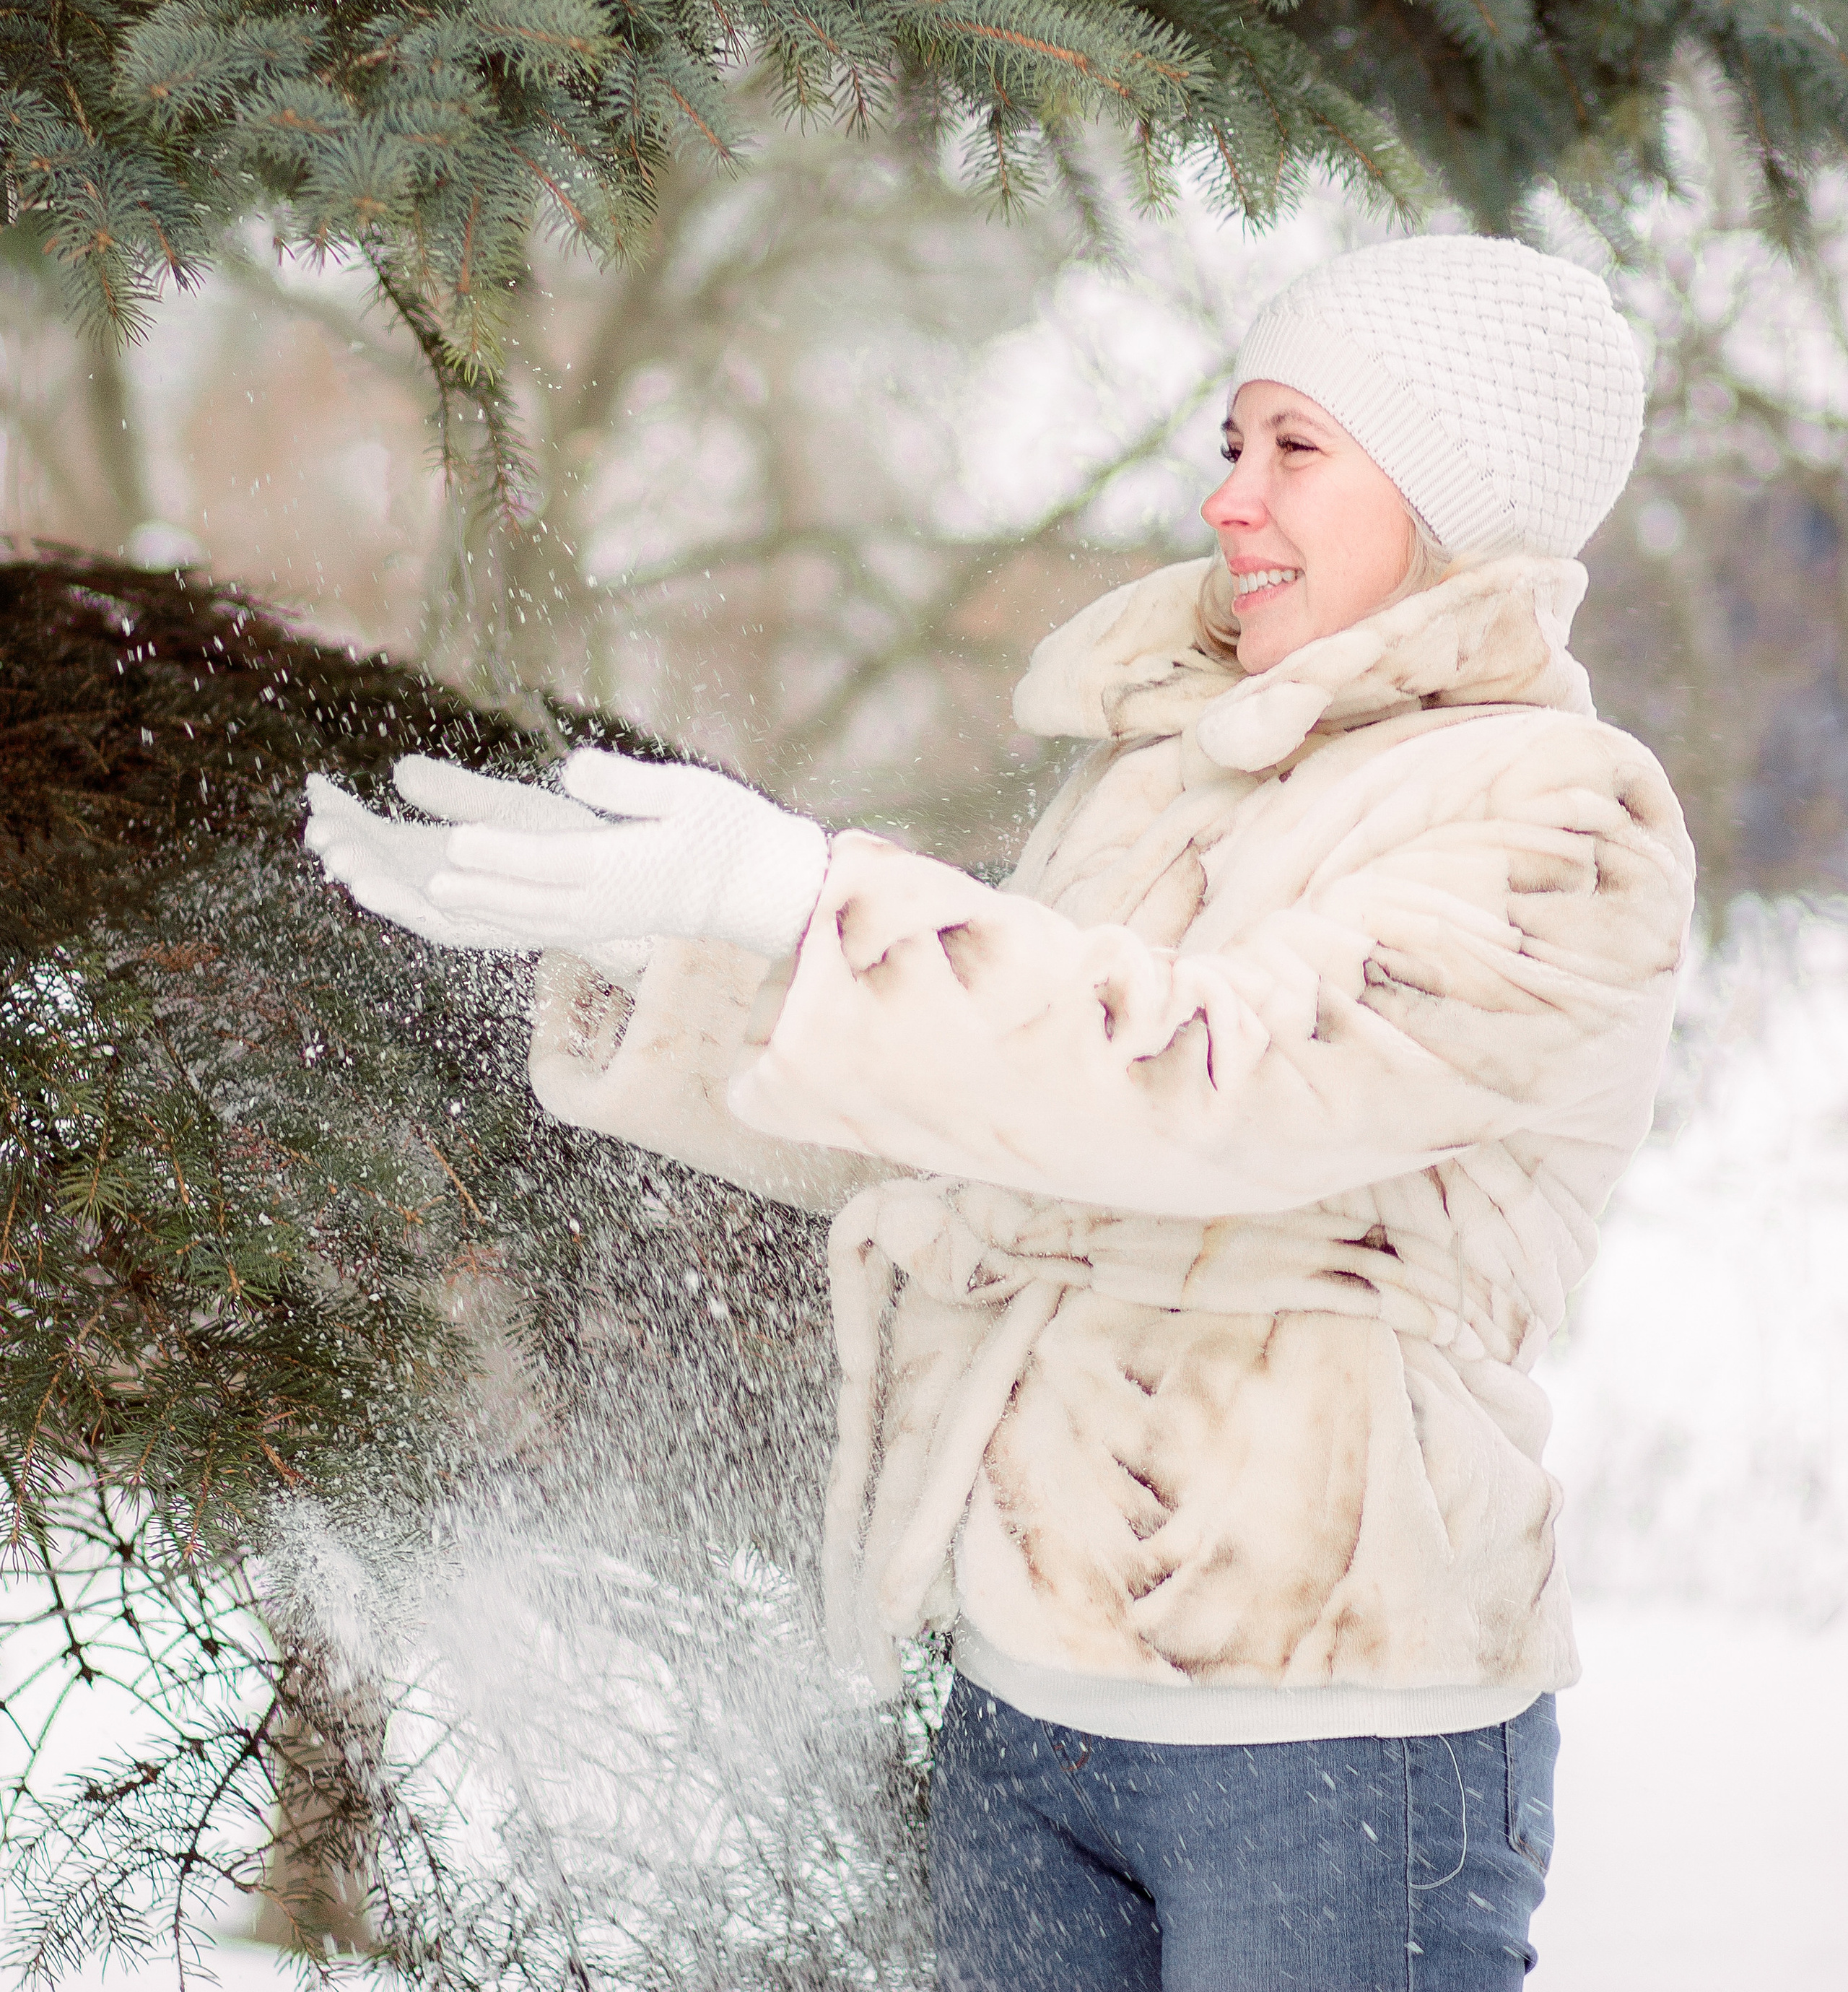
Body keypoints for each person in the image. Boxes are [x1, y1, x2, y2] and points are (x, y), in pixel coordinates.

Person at [307, 232, 1695, 1991]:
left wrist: (814, 903)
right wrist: (658, 953)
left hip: (1341, 1726)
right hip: (1026, 1715)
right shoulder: (1160, 779)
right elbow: (994, 1118)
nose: (1228, 502)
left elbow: (1207, 1086)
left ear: (1445, 496)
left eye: (1294, 449)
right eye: (1229, 442)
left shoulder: (1562, 823)